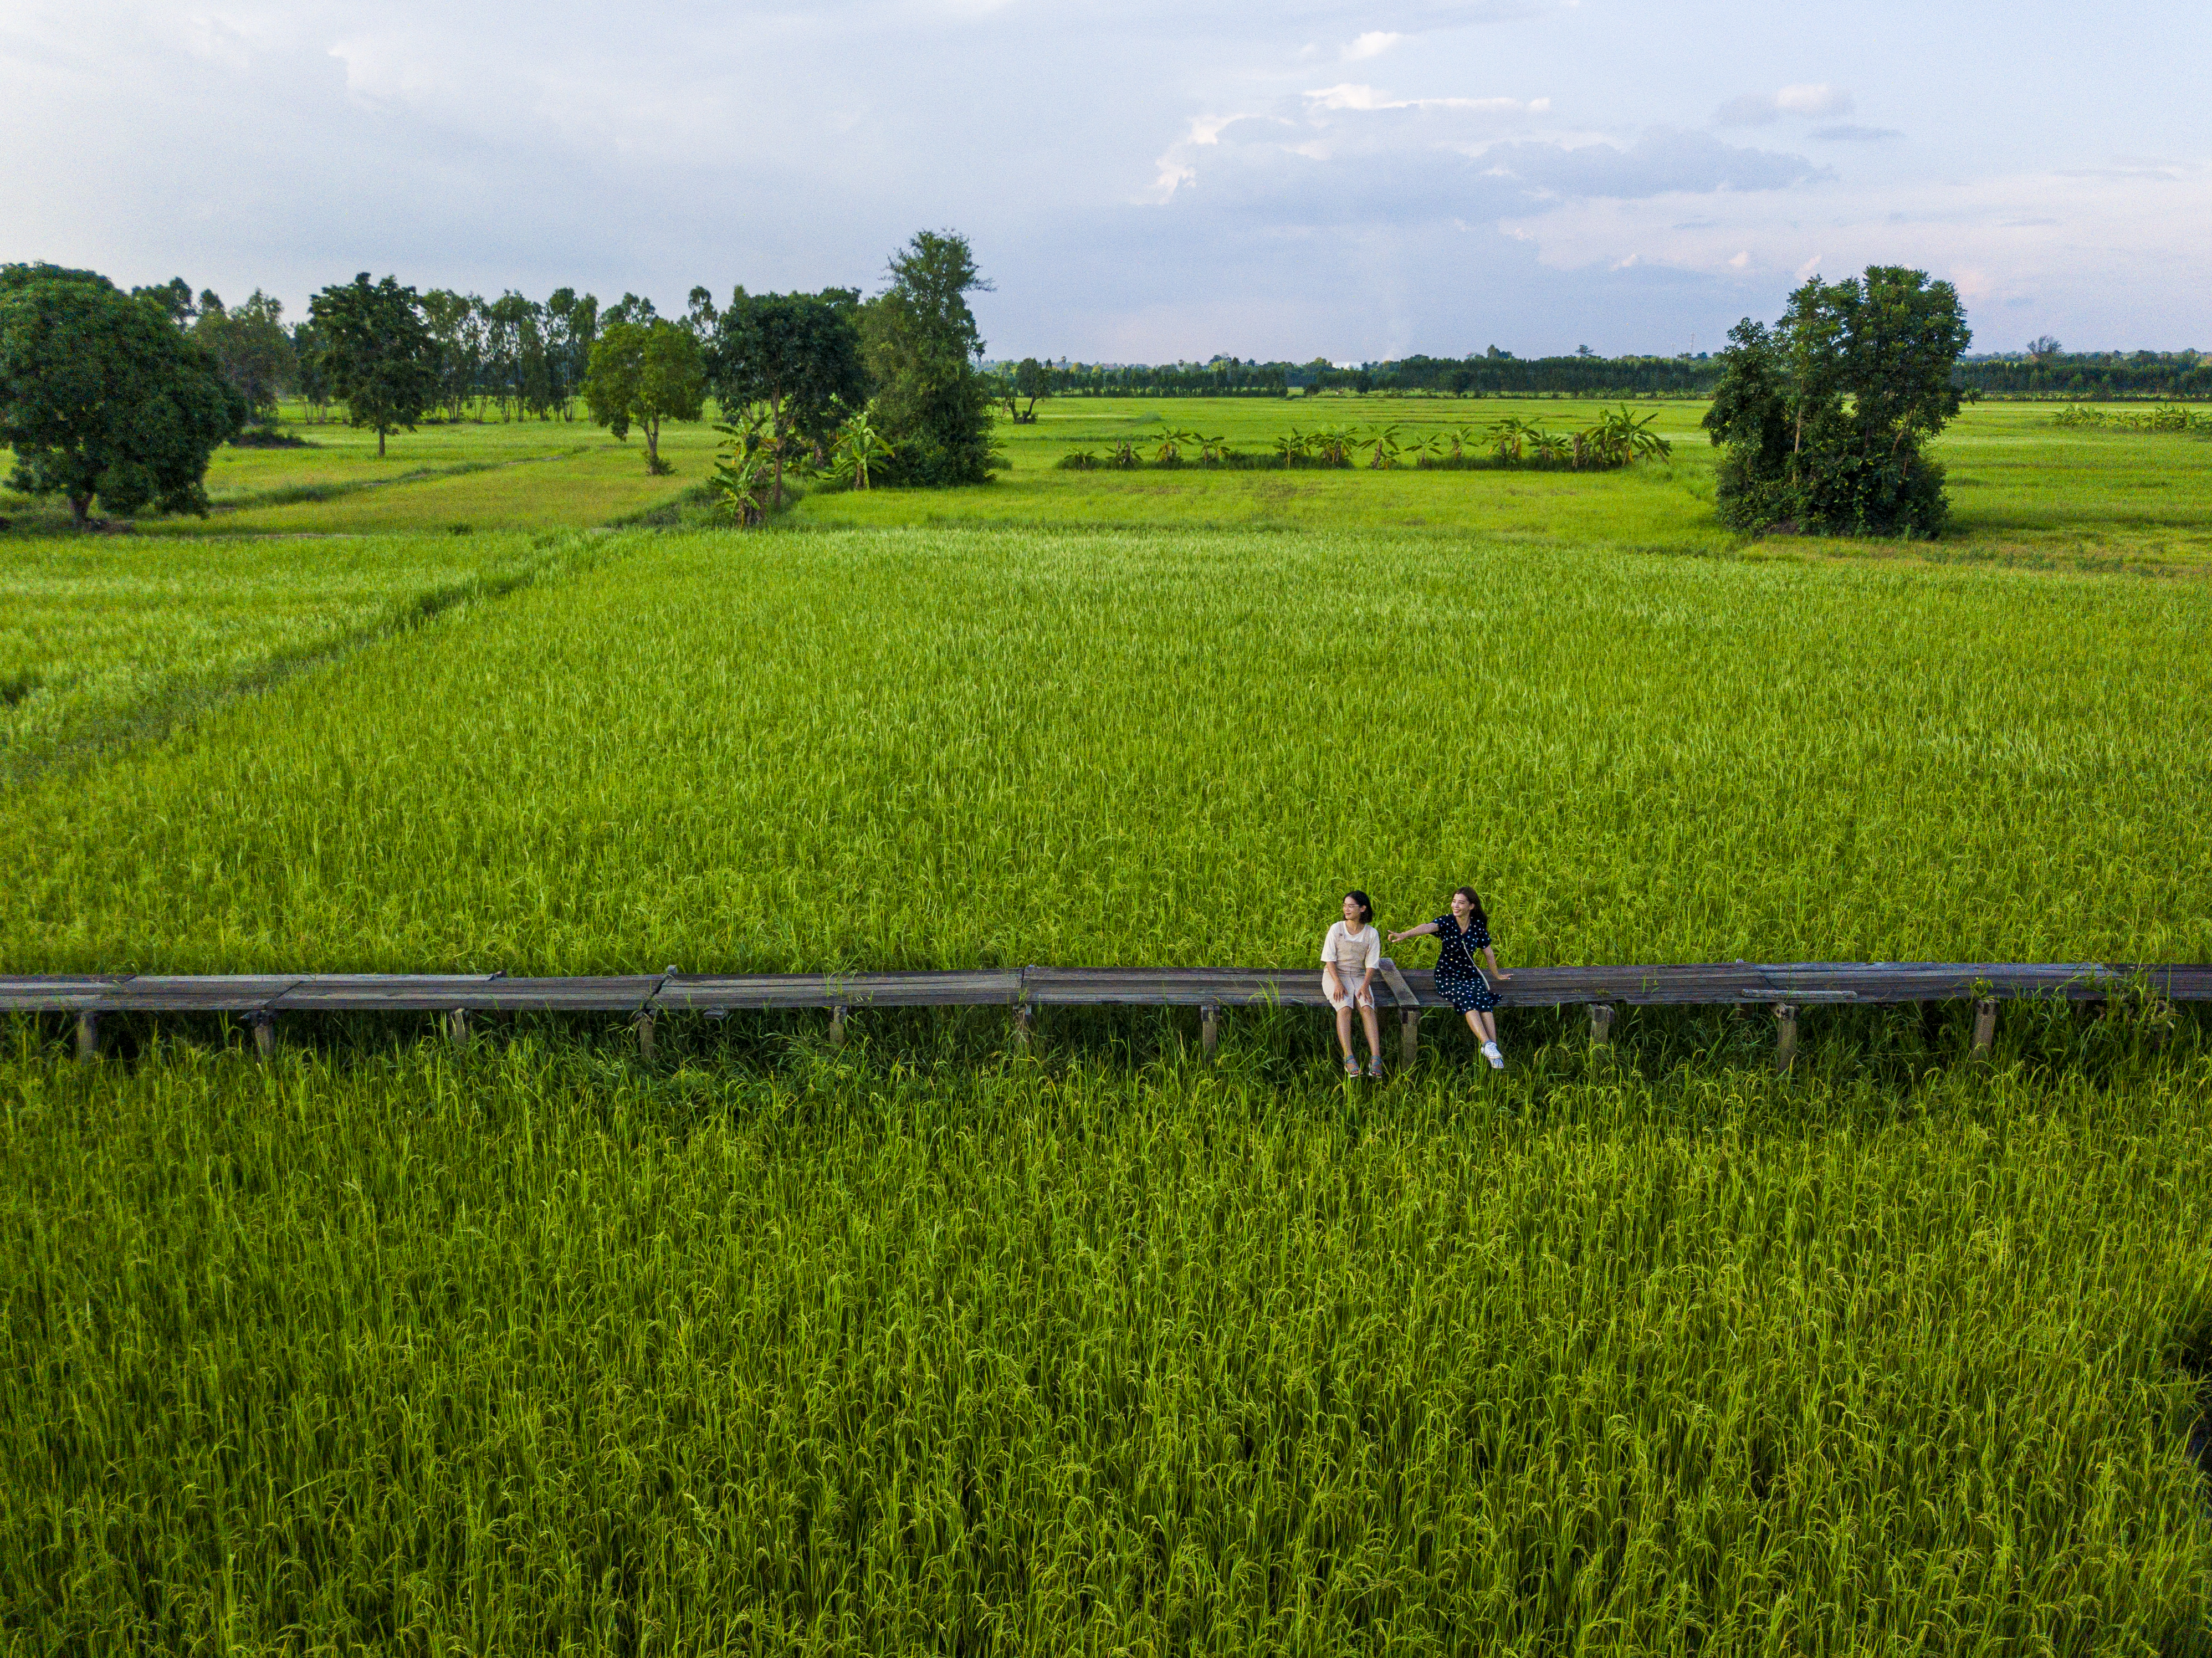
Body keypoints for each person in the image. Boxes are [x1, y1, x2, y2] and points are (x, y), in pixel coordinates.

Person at [1390, 886, 1511, 1068]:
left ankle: (1493, 1050)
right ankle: (1487, 1044)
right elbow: (1428, 927)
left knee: (1484, 1000)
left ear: (1471, 906)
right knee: (1467, 998)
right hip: (1448, 976)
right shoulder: (1447, 922)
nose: (1455, 906)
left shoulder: (1477, 926)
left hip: (1470, 974)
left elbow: (1488, 953)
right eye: (1454, 901)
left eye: (1461, 903)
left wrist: (1497, 975)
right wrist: (1404, 935)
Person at [1321, 889, 1386, 1078]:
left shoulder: (1371, 934)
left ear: (1363, 909)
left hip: (1359, 975)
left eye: (1351, 906)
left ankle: (1376, 1058)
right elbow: (1329, 961)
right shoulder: (1337, 929)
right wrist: (1338, 984)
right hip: (1335, 975)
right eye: (1345, 906)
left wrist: (1365, 986)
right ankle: (1348, 1057)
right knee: (1345, 1007)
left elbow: (1371, 965)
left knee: (1367, 1007)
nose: (1346, 909)